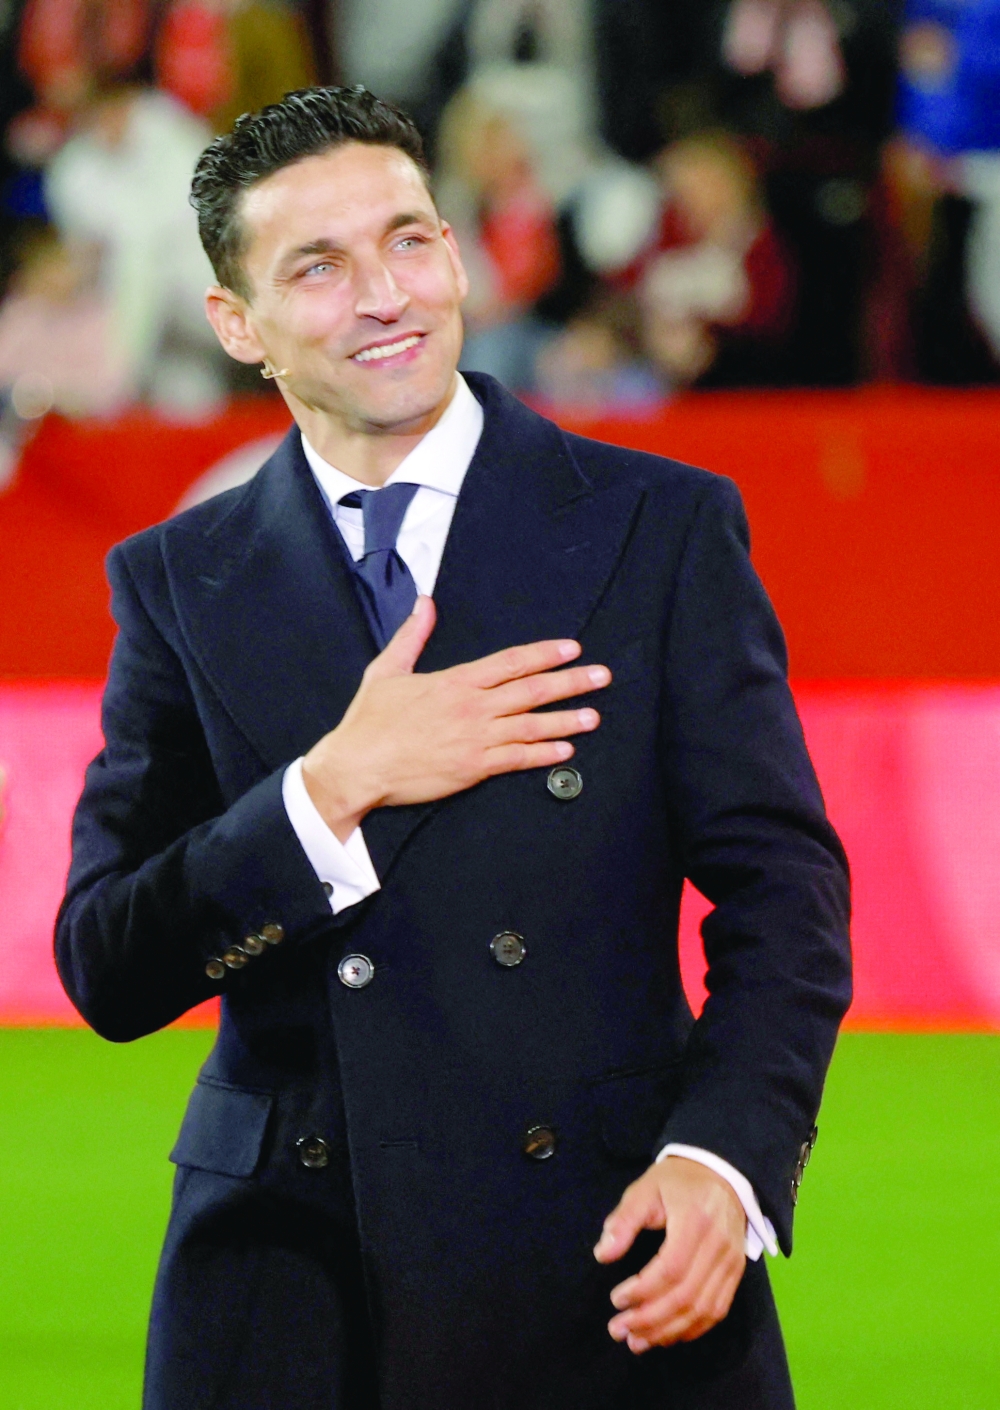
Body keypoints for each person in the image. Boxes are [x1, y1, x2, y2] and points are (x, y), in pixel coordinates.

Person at [56, 87, 851, 1410]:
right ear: (236, 325)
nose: (386, 295)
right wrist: (329, 790)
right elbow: (109, 961)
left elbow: (787, 894)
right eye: (318, 265)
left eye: (410, 240)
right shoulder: (179, 581)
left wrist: (725, 1157)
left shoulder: (661, 529)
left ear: (459, 253)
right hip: (283, 1294)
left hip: (609, 1252)